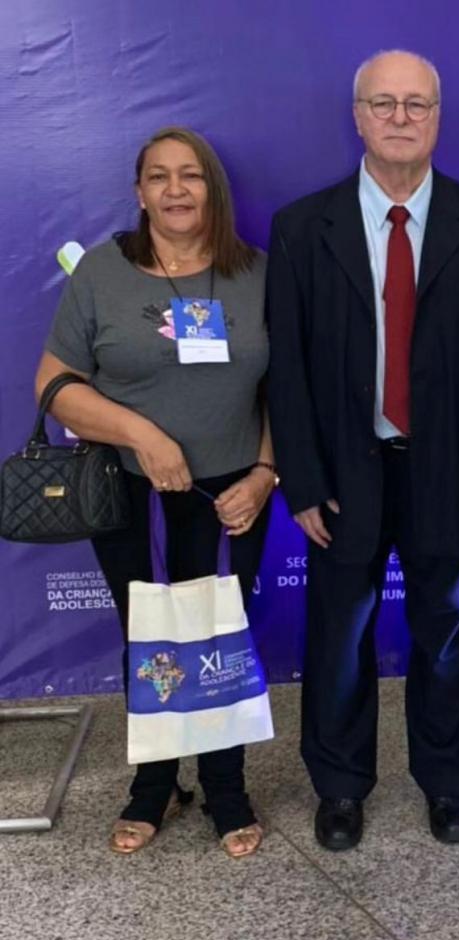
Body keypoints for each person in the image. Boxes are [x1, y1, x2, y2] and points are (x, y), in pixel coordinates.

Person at [266, 50, 459, 852]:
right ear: (359, 116)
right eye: (385, 103)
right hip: (344, 469)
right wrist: (301, 478)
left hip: (448, 470)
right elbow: (289, 367)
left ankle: (446, 782)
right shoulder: (303, 226)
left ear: (439, 116)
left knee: (444, 629)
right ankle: (340, 786)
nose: (402, 117)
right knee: (337, 633)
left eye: (417, 104)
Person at [36, 126, 275, 858]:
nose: (176, 189)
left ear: (214, 189)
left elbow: (289, 390)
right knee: (148, 634)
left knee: (217, 639)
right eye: (159, 177)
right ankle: (155, 783)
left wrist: (266, 473)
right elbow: (54, 385)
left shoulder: (259, 273)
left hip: (231, 488)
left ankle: (227, 785)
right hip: (126, 483)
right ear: (139, 192)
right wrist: (143, 434)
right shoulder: (104, 273)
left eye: (192, 176)